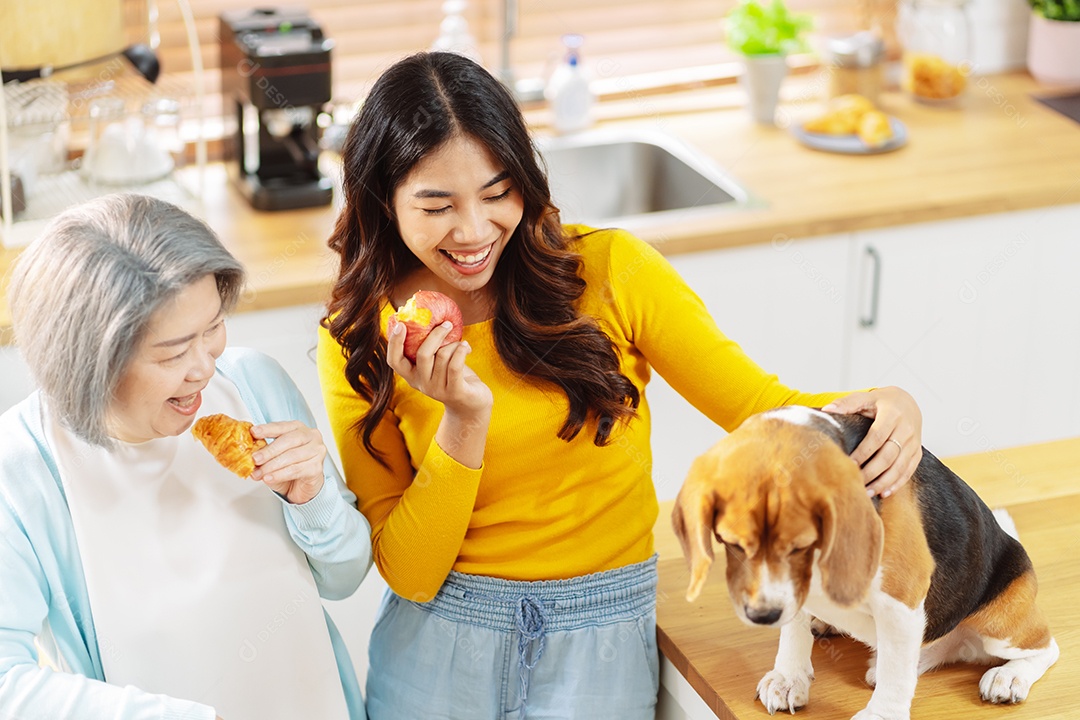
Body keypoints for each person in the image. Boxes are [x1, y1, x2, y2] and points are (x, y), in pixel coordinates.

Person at [317, 52, 923, 719]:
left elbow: (758, 410)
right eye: (437, 206)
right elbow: (409, 573)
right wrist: (463, 422)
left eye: (497, 194)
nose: (473, 231)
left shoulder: (612, 271)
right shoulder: (359, 336)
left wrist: (885, 403)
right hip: (434, 652)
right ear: (382, 200)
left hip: (600, 641)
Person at [0, 194, 372, 720]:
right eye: (173, 352)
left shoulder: (254, 386)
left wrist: (314, 500)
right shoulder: (22, 468)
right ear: (89, 360)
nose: (203, 367)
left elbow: (345, 576)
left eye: (213, 327)